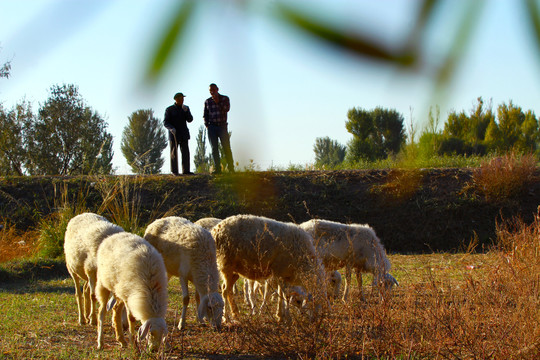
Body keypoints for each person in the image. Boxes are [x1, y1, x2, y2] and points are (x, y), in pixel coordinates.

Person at [203, 83, 234, 174]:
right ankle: (217, 169)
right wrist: (207, 125)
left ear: (217, 89)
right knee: (214, 148)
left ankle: (231, 168)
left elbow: (226, 109)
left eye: (213, 90)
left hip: (222, 126)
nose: (212, 92)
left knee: (226, 147)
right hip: (212, 127)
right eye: (210, 91)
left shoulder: (225, 98)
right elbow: (205, 114)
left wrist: (218, 102)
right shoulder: (207, 101)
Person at [164, 92, 194, 175]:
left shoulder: (185, 108)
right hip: (174, 134)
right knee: (174, 153)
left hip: (183, 133)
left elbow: (190, 120)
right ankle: (174, 171)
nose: (182, 100)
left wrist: (187, 112)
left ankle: (186, 170)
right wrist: (171, 128)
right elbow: (165, 122)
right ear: (176, 99)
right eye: (180, 98)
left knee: (185, 152)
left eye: (183, 98)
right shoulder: (169, 109)